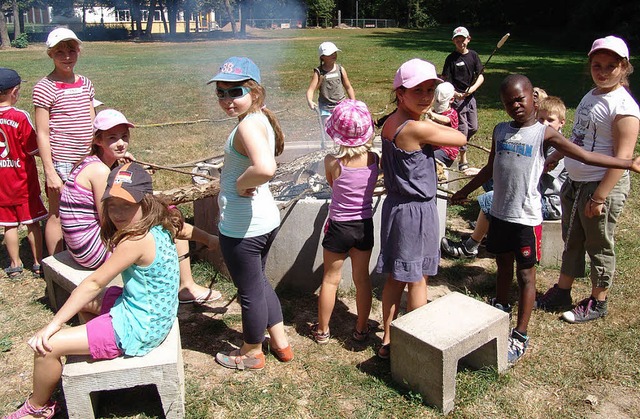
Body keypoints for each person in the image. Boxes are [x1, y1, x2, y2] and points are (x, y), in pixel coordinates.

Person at [450, 74, 640, 365]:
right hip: (499, 214)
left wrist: (626, 162)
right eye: (507, 102)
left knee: (526, 276)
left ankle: (521, 334)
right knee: (502, 264)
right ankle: (500, 307)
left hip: (525, 219)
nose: (514, 105)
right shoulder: (500, 131)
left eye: (519, 99)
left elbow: (585, 156)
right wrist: (463, 190)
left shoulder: (543, 133)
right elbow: (489, 169)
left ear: (533, 99)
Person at [3, 162, 182, 419]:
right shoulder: (162, 221)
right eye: (112, 205)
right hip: (156, 314)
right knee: (85, 303)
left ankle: (37, 408)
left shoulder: (135, 240)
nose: (118, 214)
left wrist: (54, 324)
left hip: (139, 328)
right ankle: (98, 347)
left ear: (145, 203)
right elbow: (186, 230)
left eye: (127, 206)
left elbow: (94, 283)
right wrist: (209, 240)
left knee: (47, 347)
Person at [59, 108, 221, 303]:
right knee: (170, 219)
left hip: (79, 245)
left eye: (124, 136)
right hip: (93, 248)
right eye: (112, 138)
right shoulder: (100, 171)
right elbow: (110, 219)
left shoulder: (93, 163)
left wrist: (124, 169)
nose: (121, 143)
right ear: (97, 140)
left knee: (165, 214)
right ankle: (186, 285)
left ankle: (199, 255)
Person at [536, 36, 640, 323]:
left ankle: (598, 300)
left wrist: (600, 196)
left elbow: (624, 158)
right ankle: (563, 290)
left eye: (610, 66)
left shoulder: (624, 107)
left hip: (600, 186)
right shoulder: (592, 95)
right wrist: (557, 155)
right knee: (572, 239)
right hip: (576, 181)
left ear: (624, 67)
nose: (603, 71)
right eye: (597, 65)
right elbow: (578, 137)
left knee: (598, 244)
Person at [375, 59, 467, 359]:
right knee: (418, 279)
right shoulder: (415, 128)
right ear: (400, 93)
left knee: (395, 277)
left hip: (397, 207)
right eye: (418, 91)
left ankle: (388, 337)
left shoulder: (392, 122)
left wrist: (428, 117)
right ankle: (416, 343)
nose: (426, 96)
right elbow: (460, 138)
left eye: (431, 89)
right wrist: (441, 117)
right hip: (416, 211)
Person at [208, 57, 293, 370]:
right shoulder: (258, 118)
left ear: (254, 92)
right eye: (221, 93)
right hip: (263, 221)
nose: (227, 100)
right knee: (258, 282)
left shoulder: (246, 125)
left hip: (244, 228)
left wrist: (242, 183)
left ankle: (251, 351)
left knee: (249, 292)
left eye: (235, 91)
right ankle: (281, 343)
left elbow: (266, 168)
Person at [442, 95, 568, 259]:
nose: (545, 123)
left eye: (550, 120)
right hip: (529, 193)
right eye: (541, 118)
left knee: (492, 198)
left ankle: (470, 247)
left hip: (549, 202)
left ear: (562, 122)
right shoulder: (537, 139)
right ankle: (490, 227)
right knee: (492, 182)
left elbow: (532, 177)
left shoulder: (558, 150)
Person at [310, 99, 378, 344]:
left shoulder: (331, 162)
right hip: (363, 225)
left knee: (330, 279)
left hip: (338, 226)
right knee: (362, 279)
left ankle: (323, 331)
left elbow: (332, 186)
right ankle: (361, 329)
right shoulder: (374, 159)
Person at [33, 27, 95, 257]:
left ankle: (81, 252)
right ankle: (54, 262)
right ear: (50, 54)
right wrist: (50, 171)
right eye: (60, 52)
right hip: (62, 161)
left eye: (71, 49)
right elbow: (42, 133)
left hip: (86, 159)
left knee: (85, 208)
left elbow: (92, 122)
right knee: (58, 213)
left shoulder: (85, 83)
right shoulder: (45, 87)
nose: (67, 56)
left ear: (79, 50)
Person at [0, 68, 48, 279]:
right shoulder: (19, 116)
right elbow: (32, 147)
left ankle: (15, 264)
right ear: (15, 91)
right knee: (32, 223)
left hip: (2, 185)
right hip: (23, 183)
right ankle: (38, 263)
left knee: (8, 226)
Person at [442, 26, 485, 171]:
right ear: (453, 41)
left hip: (470, 97)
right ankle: (462, 159)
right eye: (457, 40)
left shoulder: (473, 55)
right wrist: (455, 93)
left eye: (463, 40)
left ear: (469, 39)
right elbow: (446, 80)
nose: (461, 43)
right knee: (463, 128)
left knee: (473, 127)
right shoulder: (451, 59)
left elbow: (480, 76)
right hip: (457, 98)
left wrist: (471, 89)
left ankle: (455, 142)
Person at [306, 41, 356, 127]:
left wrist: (353, 102)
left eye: (335, 53)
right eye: (330, 54)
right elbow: (311, 89)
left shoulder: (340, 69)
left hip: (341, 106)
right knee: (327, 128)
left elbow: (348, 87)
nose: (334, 55)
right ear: (322, 57)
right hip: (325, 107)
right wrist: (310, 101)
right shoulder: (319, 72)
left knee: (342, 127)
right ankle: (327, 140)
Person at [426, 81, 460, 167]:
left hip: (447, 150)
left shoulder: (452, 113)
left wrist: (431, 115)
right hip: (433, 146)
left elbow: (445, 120)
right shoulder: (434, 111)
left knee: (429, 159)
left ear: (451, 100)